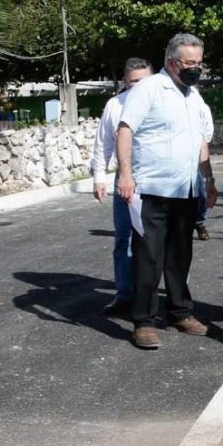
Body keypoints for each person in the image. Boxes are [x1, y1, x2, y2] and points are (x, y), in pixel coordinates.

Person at [116, 33, 218, 350]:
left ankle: (179, 313)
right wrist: (125, 174)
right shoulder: (148, 90)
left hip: (185, 191)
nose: (196, 69)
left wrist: (209, 180)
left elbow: (200, 140)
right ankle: (144, 321)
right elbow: (125, 129)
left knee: (180, 257)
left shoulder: (193, 96)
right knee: (149, 258)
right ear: (172, 61)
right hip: (152, 191)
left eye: (199, 63)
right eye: (190, 63)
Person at [91, 57, 153, 316]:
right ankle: (125, 294)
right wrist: (98, 176)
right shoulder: (115, 105)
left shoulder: (163, 102)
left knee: (164, 241)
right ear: (125, 83)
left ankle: (170, 297)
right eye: (133, 82)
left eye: (144, 81)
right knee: (124, 238)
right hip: (126, 179)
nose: (139, 87)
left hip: (158, 179)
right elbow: (103, 142)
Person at [194, 101, 213, 240]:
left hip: (197, 155)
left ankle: (200, 222)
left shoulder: (201, 107)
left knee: (202, 193)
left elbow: (207, 134)